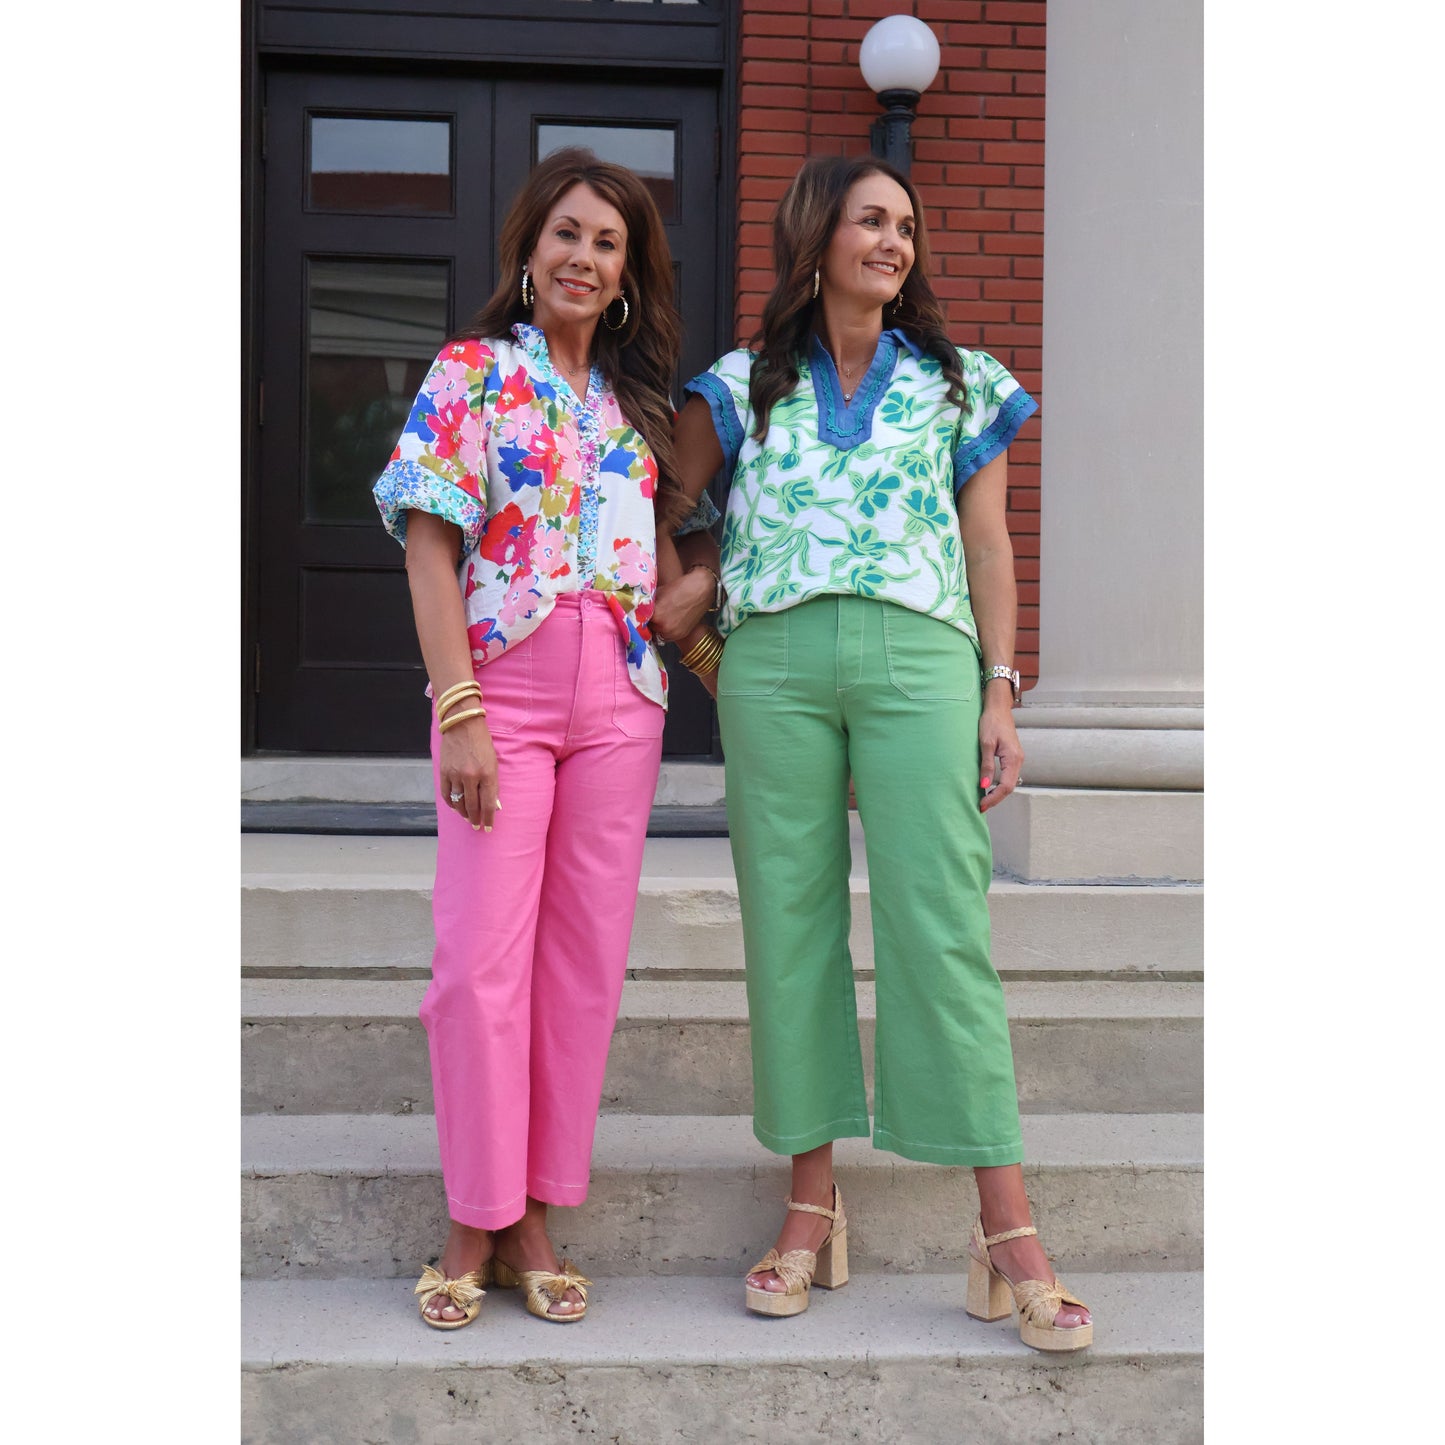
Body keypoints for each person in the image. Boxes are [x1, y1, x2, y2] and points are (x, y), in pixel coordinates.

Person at [660, 155, 1093, 1351]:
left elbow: (991, 547)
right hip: (773, 668)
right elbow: (660, 501)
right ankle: (809, 1204)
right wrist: (691, 578)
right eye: (871, 219)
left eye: (906, 223)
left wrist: (998, 692)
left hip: (919, 660)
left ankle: (1004, 1229)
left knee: (939, 923)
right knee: (786, 924)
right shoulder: (740, 385)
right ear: (815, 238)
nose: (894, 240)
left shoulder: (960, 384)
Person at [373, 147, 716, 1329]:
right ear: (530, 251)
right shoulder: (469, 375)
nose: (583, 256)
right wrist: (457, 707)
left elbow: (670, 574)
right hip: (501, 694)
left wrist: (699, 597)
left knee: (580, 969)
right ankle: (473, 1211)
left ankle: (535, 1211)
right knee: (477, 962)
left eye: (607, 242)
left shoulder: (641, 413)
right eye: (566, 233)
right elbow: (429, 545)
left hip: (620, 701)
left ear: (626, 276)